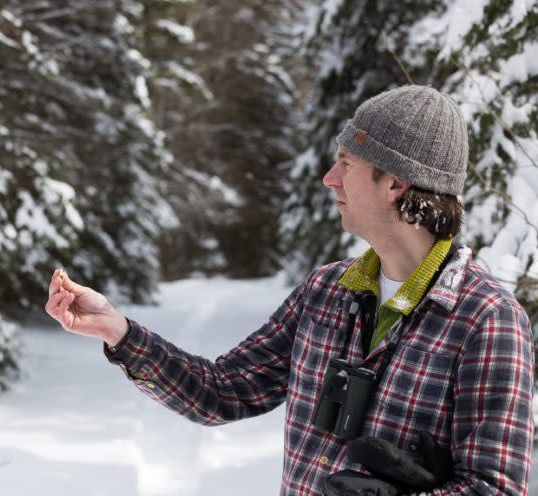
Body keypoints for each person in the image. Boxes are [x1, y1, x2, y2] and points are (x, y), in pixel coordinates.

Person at [45, 85, 534, 495]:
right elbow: (223, 391)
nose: (330, 178)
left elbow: (495, 488)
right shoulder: (327, 293)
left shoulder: (487, 321)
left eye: (347, 162)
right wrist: (121, 333)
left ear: (396, 184)